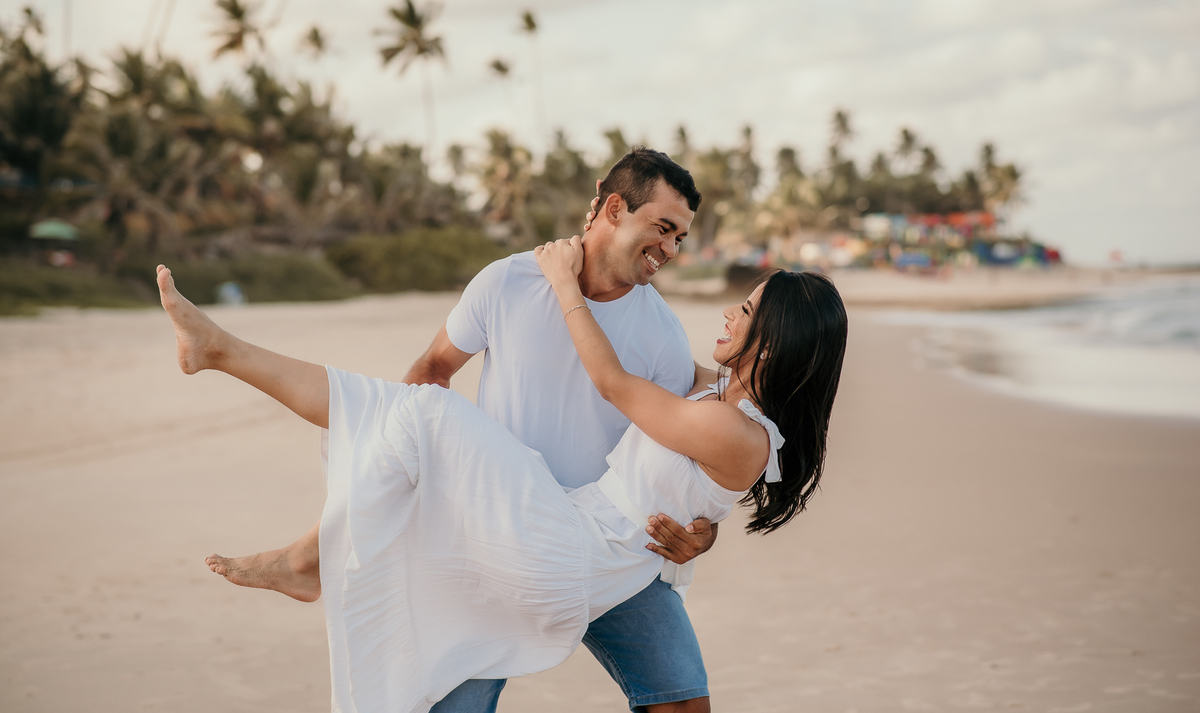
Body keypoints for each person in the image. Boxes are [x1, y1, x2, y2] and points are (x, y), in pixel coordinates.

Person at [156, 243, 846, 712]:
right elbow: (700, 487)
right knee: (408, 415)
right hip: (572, 534)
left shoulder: (733, 427)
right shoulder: (723, 396)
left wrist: (563, 284)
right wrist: (705, 533)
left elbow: (612, 383)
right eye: (661, 230)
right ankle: (227, 364)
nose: (731, 312)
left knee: (422, 412)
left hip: (568, 548)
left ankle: (303, 535)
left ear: (779, 340)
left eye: (749, 311)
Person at [209, 148, 725, 712]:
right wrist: (412, 489)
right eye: (664, 228)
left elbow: (688, 452)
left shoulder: (662, 336)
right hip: (489, 537)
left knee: (682, 703)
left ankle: (304, 549)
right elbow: (430, 376)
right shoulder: (509, 281)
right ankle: (314, 551)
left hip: (605, 546)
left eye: (679, 238)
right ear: (615, 208)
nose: (671, 250)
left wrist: (702, 531)